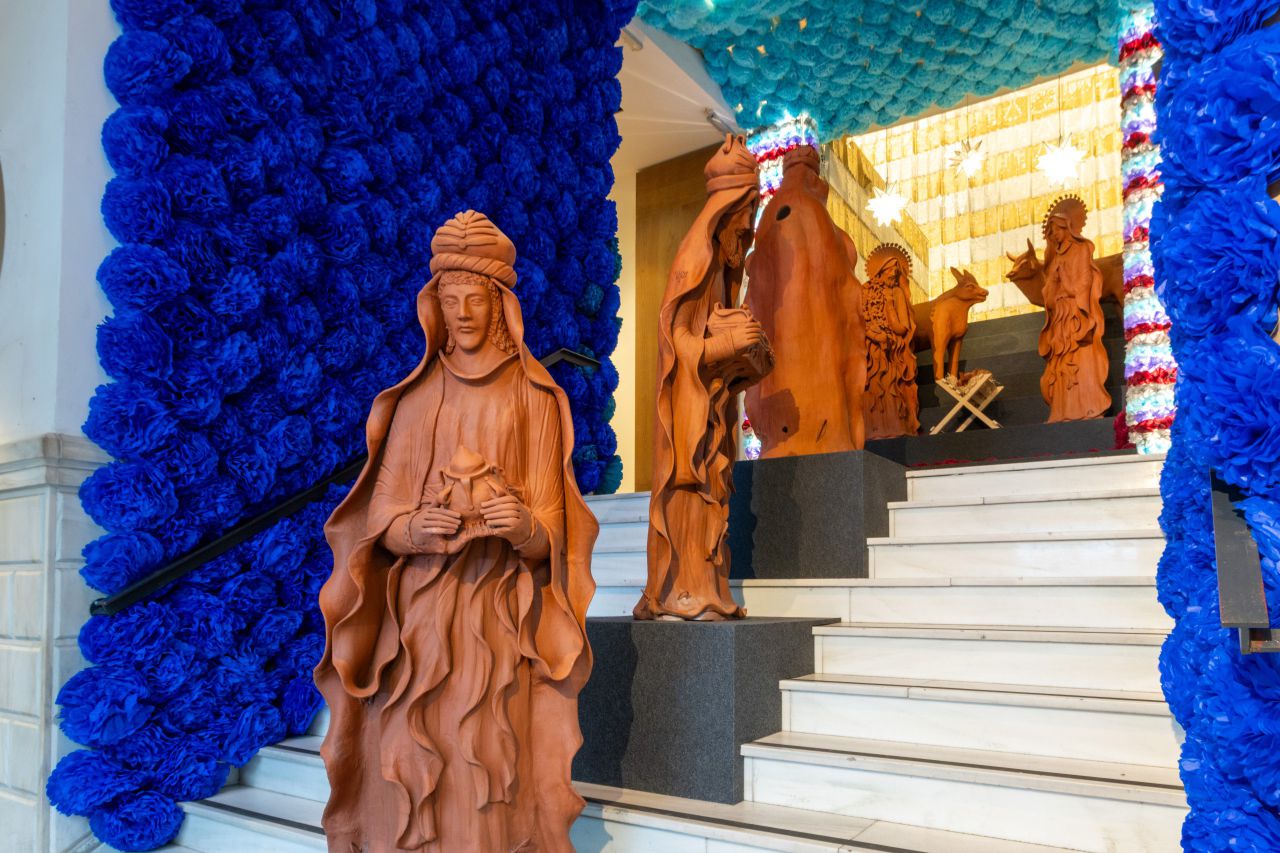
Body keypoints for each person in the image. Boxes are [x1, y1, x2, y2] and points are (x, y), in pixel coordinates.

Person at [314, 211, 597, 852]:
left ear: (499, 305)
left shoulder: (533, 399)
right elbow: (380, 519)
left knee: (486, 759)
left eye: (476, 298)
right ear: (433, 306)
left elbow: (552, 532)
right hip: (418, 617)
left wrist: (522, 526)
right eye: (450, 299)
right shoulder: (415, 402)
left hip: (498, 616)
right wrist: (414, 528)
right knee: (413, 751)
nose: (463, 313)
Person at [635, 134, 773, 622]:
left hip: (710, 414)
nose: (749, 225)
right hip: (687, 423)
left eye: (754, 211)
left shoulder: (722, 270)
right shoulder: (693, 260)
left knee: (712, 499)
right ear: (727, 208)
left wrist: (747, 357)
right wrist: (723, 348)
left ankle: (706, 587)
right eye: (747, 211)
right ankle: (681, 590)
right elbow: (676, 344)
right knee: (689, 498)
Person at [744, 146, 867, 457]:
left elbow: (756, 283)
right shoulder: (820, 217)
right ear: (815, 179)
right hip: (816, 355)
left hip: (785, 361)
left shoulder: (772, 215)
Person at [1037, 196, 1111, 421]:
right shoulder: (1055, 258)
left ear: (1065, 227)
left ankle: (1089, 407)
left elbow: (1084, 284)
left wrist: (1065, 281)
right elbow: (1048, 293)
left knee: (1081, 361)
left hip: (1076, 316)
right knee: (1061, 363)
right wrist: (1052, 284)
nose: (1053, 236)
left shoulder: (1081, 249)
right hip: (1060, 318)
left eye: (1055, 231)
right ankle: (1062, 411)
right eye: (1050, 233)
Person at [863, 244, 920, 438]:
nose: (893, 273)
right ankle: (872, 428)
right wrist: (874, 335)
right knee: (872, 388)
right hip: (870, 351)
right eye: (889, 270)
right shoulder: (865, 291)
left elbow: (902, 327)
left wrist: (889, 307)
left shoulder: (897, 293)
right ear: (880, 270)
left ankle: (894, 427)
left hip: (892, 352)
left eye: (896, 271)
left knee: (890, 387)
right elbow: (857, 319)